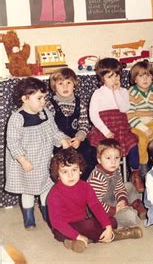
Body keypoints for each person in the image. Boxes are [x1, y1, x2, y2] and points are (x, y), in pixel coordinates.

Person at [48, 148, 142, 253]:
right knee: (61, 232)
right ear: (58, 175)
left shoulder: (86, 187)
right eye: (65, 172)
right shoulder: (54, 194)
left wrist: (108, 226)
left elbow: (96, 206)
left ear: (80, 170)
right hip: (64, 226)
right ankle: (121, 234)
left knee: (110, 221)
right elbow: (56, 222)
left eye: (74, 170)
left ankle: (77, 241)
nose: (70, 175)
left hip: (82, 222)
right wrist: (77, 235)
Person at [5, 77, 69, 229]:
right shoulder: (17, 118)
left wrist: (62, 140)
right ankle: (29, 217)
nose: (43, 102)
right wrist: (22, 160)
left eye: (44, 98)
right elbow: (12, 142)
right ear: (25, 99)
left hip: (44, 158)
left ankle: (48, 213)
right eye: (39, 98)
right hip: (27, 162)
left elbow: (53, 131)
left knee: (46, 187)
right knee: (27, 191)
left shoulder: (45, 112)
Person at [87, 58, 142, 192]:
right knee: (104, 150)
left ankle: (135, 174)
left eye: (116, 75)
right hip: (104, 129)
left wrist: (116, 92)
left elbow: (124, 109)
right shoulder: (98, 93)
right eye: (109, 76)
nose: (114, 80)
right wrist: (106, 132)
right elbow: (93, 115)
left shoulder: (123, 91)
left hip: (121, 128)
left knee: (134, 144)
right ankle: (106, 180)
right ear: (102, 78)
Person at [46, 67, 96, 180]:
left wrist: (79, 138)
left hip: (76, 140)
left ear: (74, 85)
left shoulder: (80, 103)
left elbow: (84, 124)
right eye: (60, 83)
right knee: (62, 160)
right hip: (59, 142)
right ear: (54, 87)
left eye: (68, 82)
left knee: (90, 153)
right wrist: (63, 140)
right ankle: (65, 183)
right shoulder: (50, 105)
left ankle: (83, 182)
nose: (65, 86)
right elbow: (50, 127)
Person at [87, 139, 147, 228]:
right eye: (108, 158)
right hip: (100, 211)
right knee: (131, 216)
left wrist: (122, 199)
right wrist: (114, 210)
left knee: (129, 185)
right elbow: (95, 204)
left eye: (117, 158)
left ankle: (136, 206)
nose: (113, 162)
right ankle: (128, 213)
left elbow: (120, 187)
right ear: (99, 160)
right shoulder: (97, 177)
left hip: (112, 200)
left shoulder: (115, 170)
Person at [127, 60, 153, 175]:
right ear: (135, 79)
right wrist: (144, 129)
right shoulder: (131, 93)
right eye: (141, 76)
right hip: (136, 124)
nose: (145, 79)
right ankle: (143, 170)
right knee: (142, 140)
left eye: (148, 75)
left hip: (151, 123)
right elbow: (130, 116)